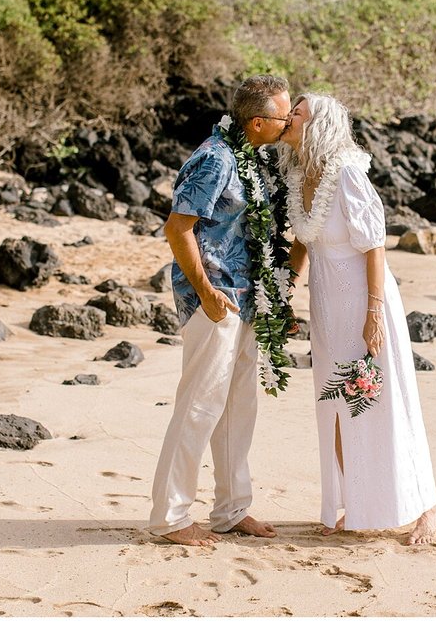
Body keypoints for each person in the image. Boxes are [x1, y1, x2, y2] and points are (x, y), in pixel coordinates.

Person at [278, 93, 436, 545]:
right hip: (327, 304)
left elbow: (374, 244)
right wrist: (284, 292)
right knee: (337, 404)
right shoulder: (298, 175)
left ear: (319, 126)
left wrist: (374, 312)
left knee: (384, 399)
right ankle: (355, 502)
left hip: (366, 299)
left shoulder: (347, 174)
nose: (288, 117)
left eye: (298, 113)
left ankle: (425, 507)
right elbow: (304, 241)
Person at [148, 74, 292, 546]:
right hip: (215, 301)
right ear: (257, 121)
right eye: (283, 116)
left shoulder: (249, 157)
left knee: (237, 409)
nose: (288, 122)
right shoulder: (214, 159)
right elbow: (177, 228)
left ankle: (232, 509)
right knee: (199, 406)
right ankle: (170, 517)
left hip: (248, 296)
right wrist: (207, 292)